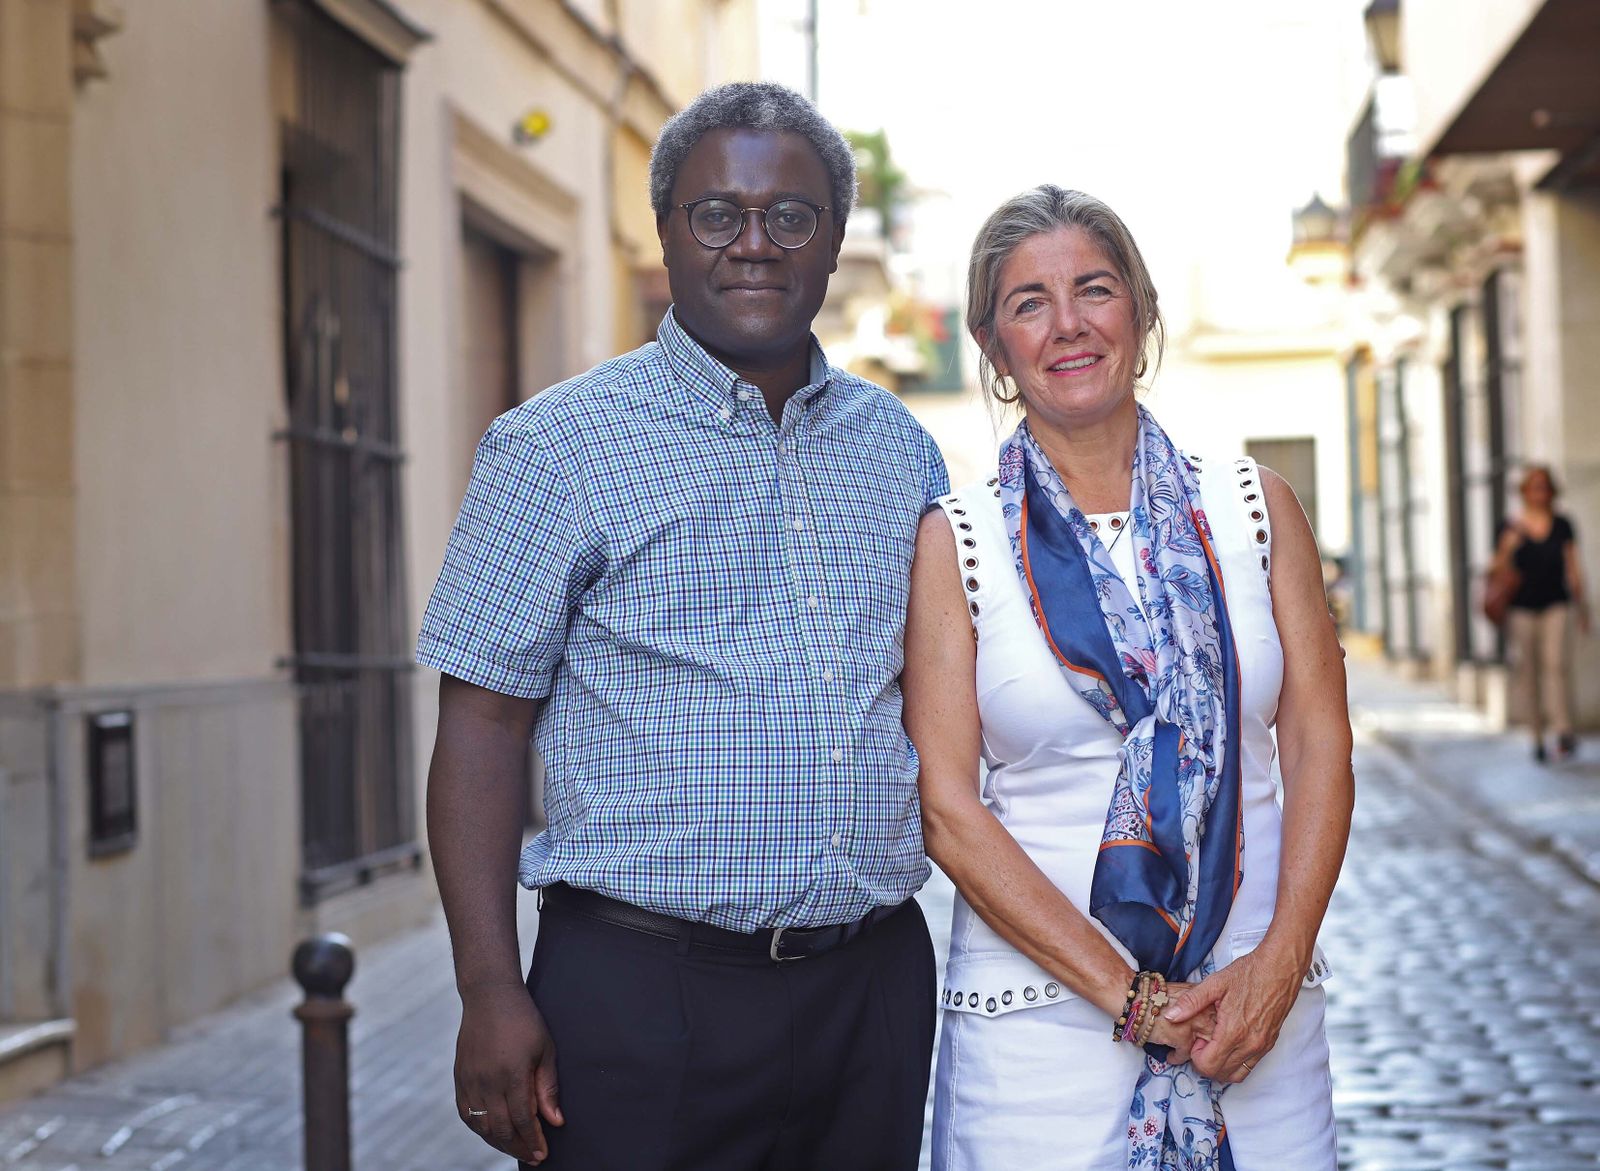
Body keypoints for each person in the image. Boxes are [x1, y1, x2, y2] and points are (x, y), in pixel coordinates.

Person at [417, 82, 947, 1170]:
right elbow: (479, 729)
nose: (753, 243)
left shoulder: (901, 451)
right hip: (639, 1000)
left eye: (789, 216)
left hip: (871, 992)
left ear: (834, 240)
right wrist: (488, 990)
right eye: (718, 213)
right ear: (665, 232)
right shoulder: (554, 447)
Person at [903, 185, 1354, 1170]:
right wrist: (1134, 1000)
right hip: (1038, 1035)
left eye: (1093, 289)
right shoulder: (959, 540)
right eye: (1028, 302)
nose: (1066, 324)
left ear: (1139, 311)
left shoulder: (1254, 507)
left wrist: (1278, 966)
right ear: (992, 344)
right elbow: (946, 806)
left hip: (1253, 1019)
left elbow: (1318, 738)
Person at [1492, 465, 1589, 761]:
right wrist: (1508, 548)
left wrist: (1583, 607)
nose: (1540, 493)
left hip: (1556, 604)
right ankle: (1536, 736)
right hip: (1521, 608)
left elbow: (1573, 567)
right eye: (1534, 487)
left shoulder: (1562, 525)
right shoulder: (1510, 526)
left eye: (1544, 486)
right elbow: (1494, 570)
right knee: (1528, 671)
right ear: (1524, 492)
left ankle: (1562, 729)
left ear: (1551, 491)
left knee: (1556, 665)